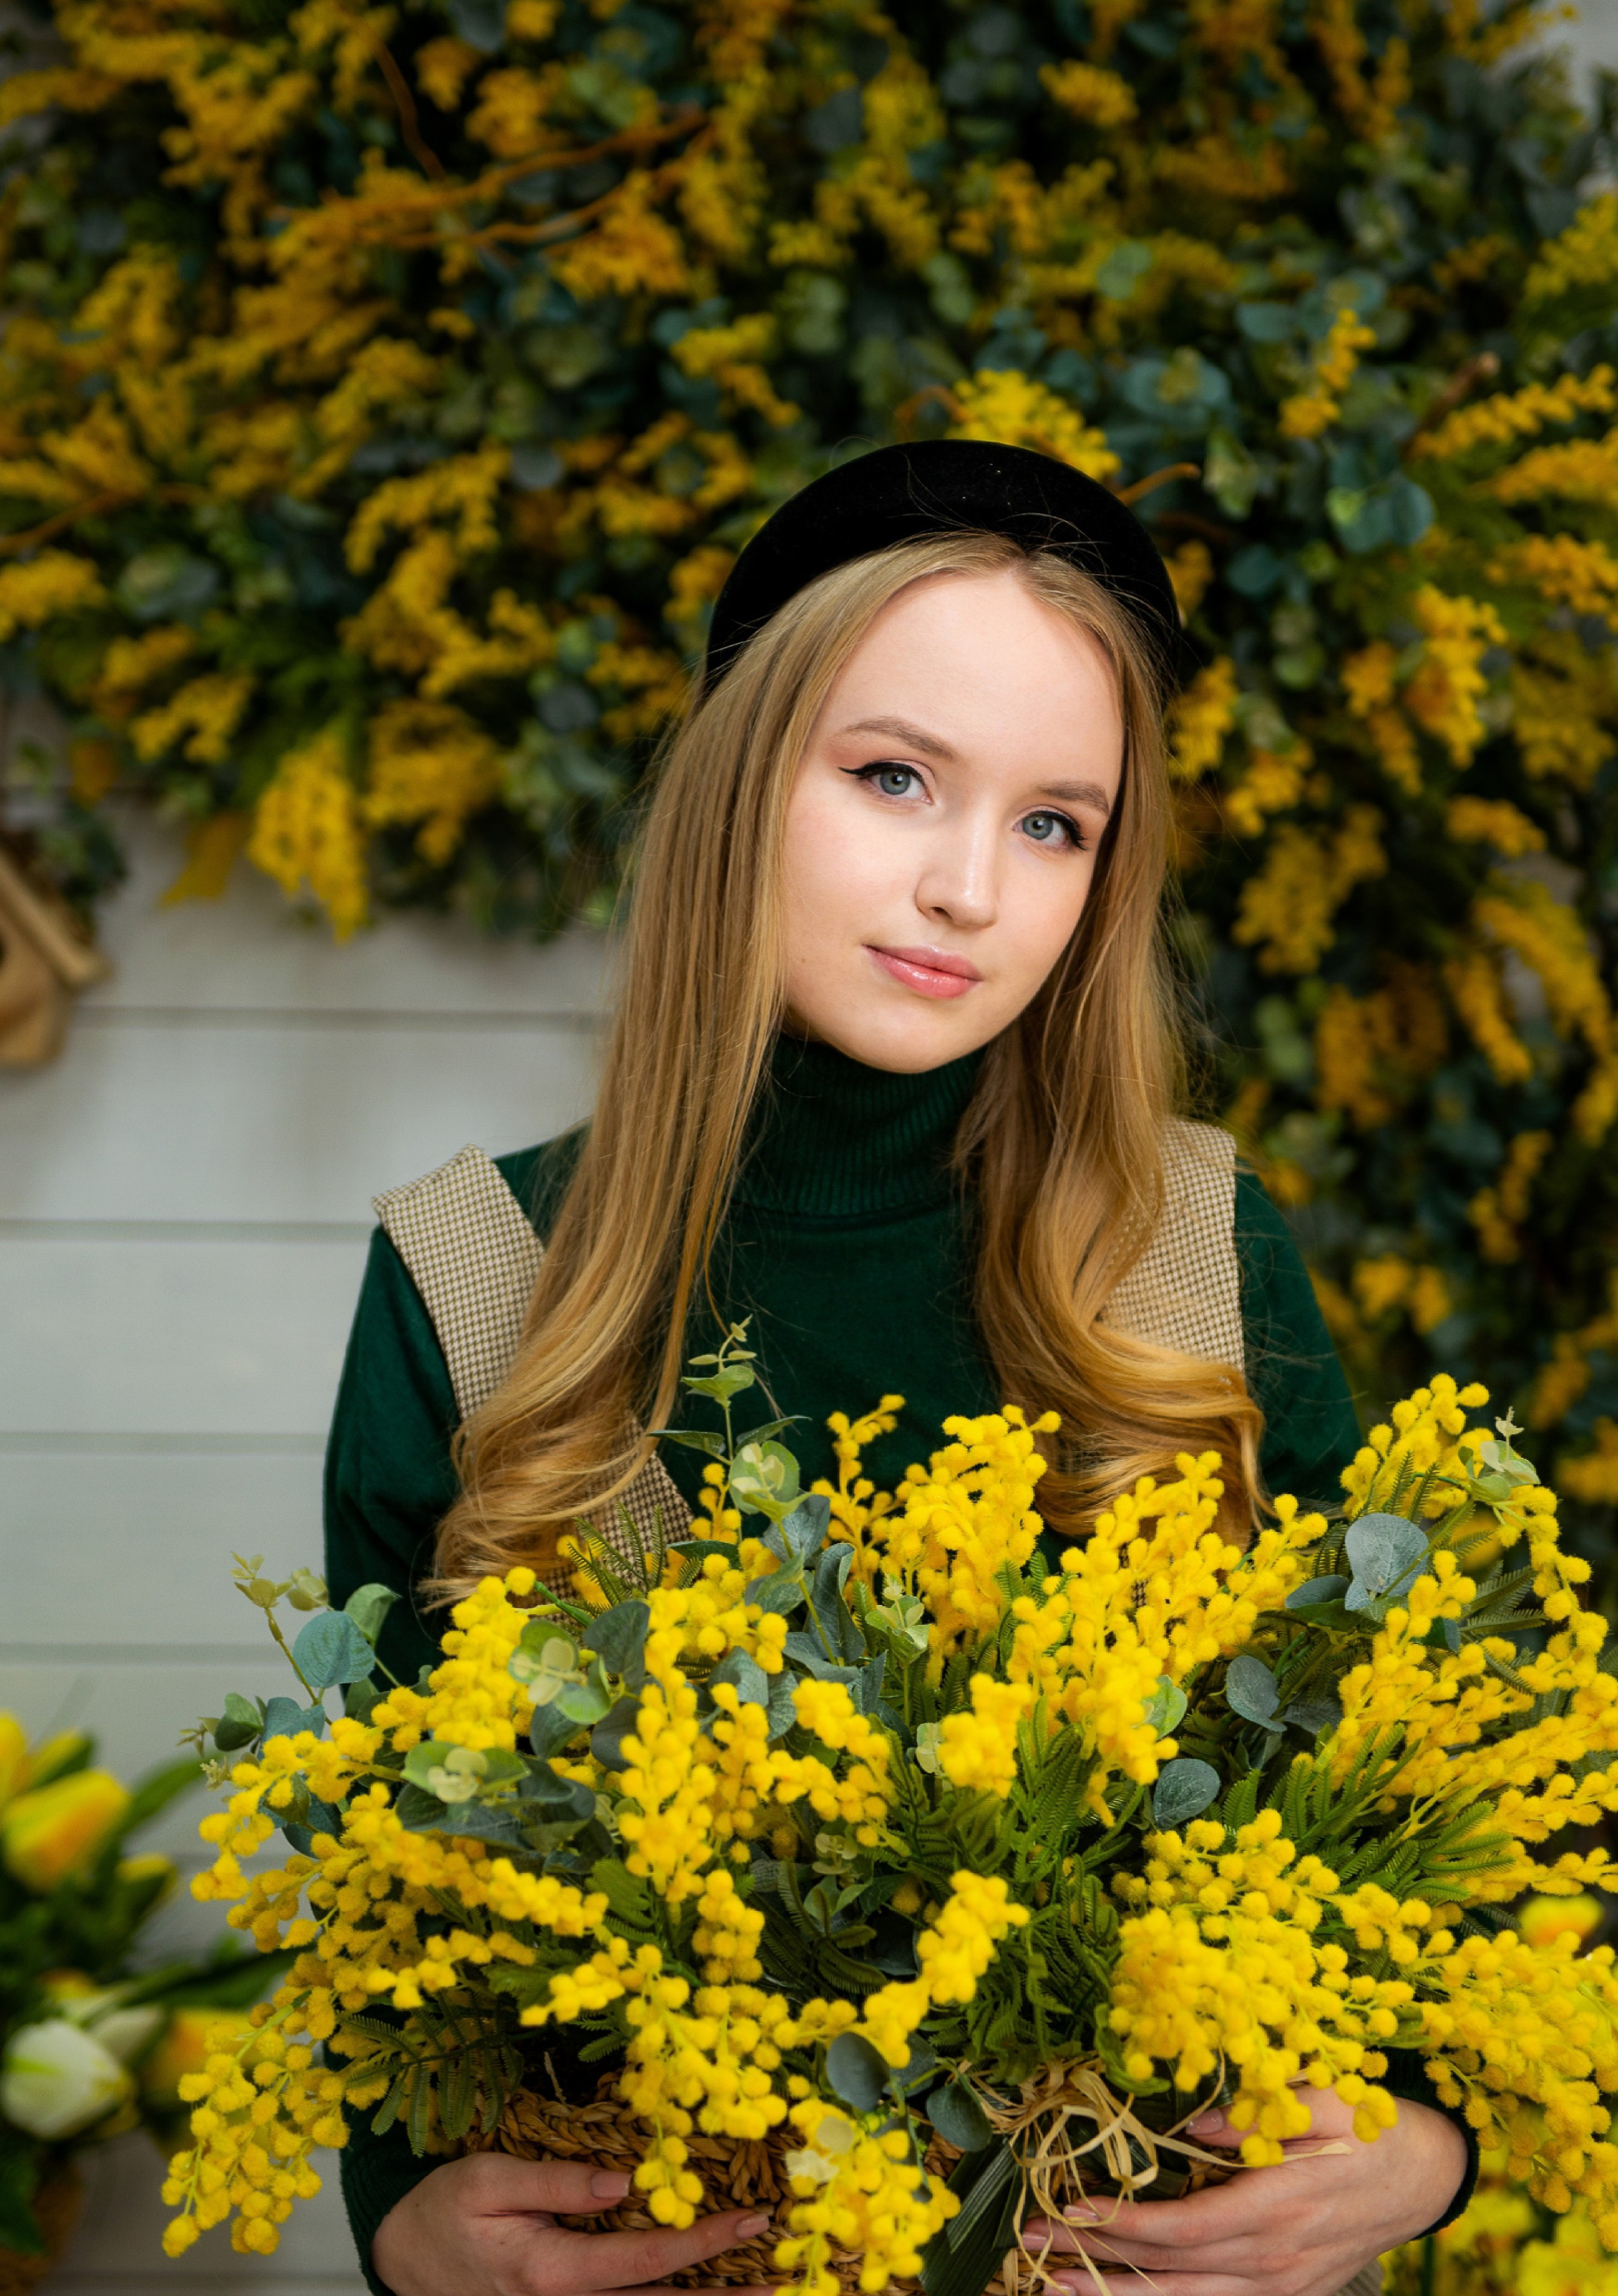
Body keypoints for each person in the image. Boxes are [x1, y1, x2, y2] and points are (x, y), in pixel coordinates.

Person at [324, 441, 1473, 2296]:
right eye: (891, 777)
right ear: (733, 781)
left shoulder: (1195, 1249)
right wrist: (401, 2227)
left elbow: (1414, 1789)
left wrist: (1428, 2146)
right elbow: (373, 1879)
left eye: (1054, 823)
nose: (965, 886)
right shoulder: (476, 1278)